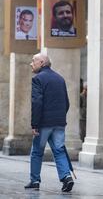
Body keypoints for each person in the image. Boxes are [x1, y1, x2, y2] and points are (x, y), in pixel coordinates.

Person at [25, 53, 74, 192]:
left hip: (44, 124)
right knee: (59, 151)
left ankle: (35, 180)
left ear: (41, 62)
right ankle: (66, 177)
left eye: (33, 61)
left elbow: (36, 103)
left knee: (37, 151)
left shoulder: (38, 79)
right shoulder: (60, 79)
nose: (31, 63)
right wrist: (59, 117)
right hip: (59, 123)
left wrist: (35, 124)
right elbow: (67, 102)